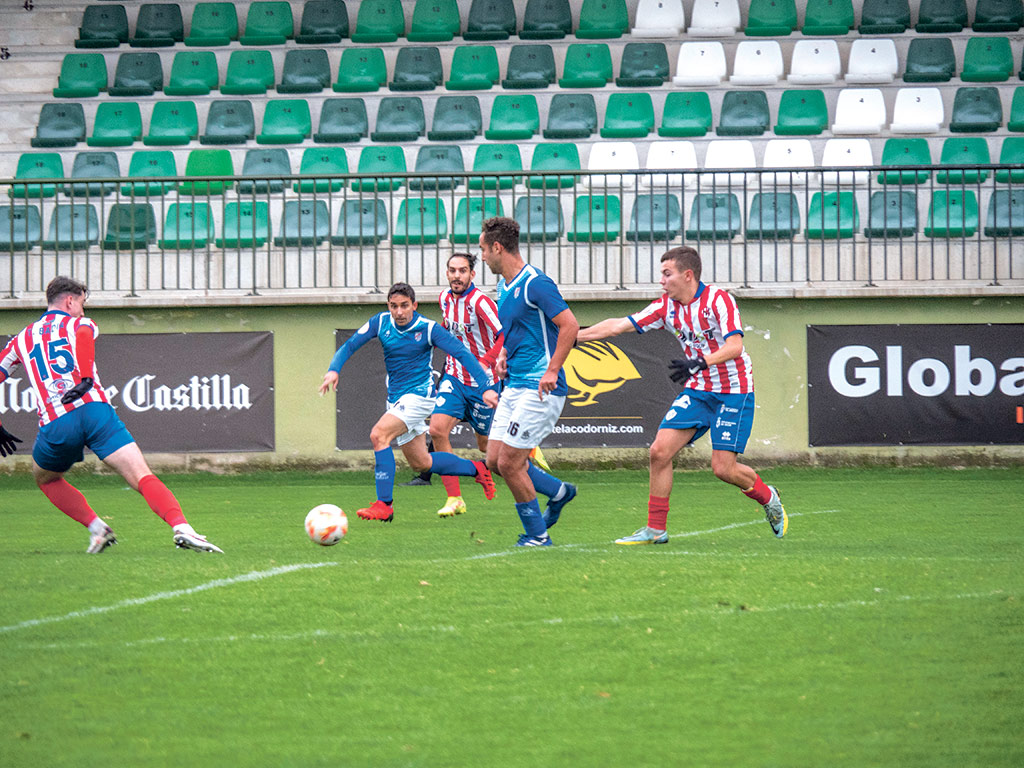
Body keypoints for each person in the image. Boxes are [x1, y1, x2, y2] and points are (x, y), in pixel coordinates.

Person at [575, 246, 788, 545]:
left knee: (723, 469)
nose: (661, 281)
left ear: (687, 275)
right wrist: (573, 337)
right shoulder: (665, 307)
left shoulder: (718, 300)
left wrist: (701, 361)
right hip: (699, 390)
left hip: (734, 391)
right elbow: (617, 326)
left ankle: (768, 497)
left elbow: (735, 346)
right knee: (659, 452)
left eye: (667, 274)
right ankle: (656, 529)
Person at [0, 276, 223, 554]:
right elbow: (83, 334)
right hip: (96, 412)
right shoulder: (79, 323)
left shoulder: (22, 339)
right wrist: (85, 378)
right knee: (140, 475)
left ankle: (97, 528)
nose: (82, 310)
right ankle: (182, 527)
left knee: (46, 479)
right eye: (81, 303)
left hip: (57, 421)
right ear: (69, 301)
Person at [319, 282, 499, 523]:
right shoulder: (381, 322)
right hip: (396, 398)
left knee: (379, 435)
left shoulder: (428, 328)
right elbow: (350, 344)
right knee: (421, 463)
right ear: (388, 306)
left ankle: (384, 505)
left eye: (404, 306)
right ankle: (478, 469)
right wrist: (333, 370)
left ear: (414, 305)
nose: (399, 312)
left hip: (420, 396)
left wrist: (485, 387)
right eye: (394, 306)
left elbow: (462, 354)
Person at [479, 217, 579, 547]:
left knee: (510, 462)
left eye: (483, 249)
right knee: (494, 461)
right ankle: (559, 492)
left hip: (541, 388)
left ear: (497, 248)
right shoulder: (504, 288)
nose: (482, 257)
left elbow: (569, 326)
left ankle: (538, 535)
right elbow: (518, 330)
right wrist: (504, 353)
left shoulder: (536, 283)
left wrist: (552, 370)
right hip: (514, 385)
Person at [430, 252, 504, 518]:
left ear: (472, 274)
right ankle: (454, 498)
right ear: (447, 273)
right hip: (454, 377)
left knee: (486, 448)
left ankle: (525, 453)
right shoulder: (444, 298)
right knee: (437, 430)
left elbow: (503, 334)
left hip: (483, 384)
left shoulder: (481, 302)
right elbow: (448, 328)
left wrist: (485, 362)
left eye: (462, 271)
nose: (456, 276)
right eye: (452, 270)